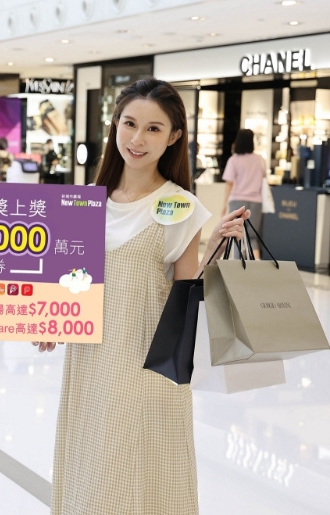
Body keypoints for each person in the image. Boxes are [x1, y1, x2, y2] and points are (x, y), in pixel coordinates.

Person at [34, 78, 249, 514]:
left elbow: (184, 297)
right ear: (115, 124)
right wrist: (49, 323)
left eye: (154, 128)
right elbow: (67, 285)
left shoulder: (179, 205)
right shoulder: (84, 202)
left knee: (135, 482)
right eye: (130, 123)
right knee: (90, 474)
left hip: (146, 367)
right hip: (90, 365)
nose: (137, 139)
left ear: (173, 137)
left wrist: (211, 249)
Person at [222, 128, 267, 258]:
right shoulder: (259, 159)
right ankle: (257, 264)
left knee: (236, 234)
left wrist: (224, 204)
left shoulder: (234, 160)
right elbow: (264, 178)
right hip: (256, 201)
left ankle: (238, 264)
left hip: (237, 200)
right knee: (252, 236)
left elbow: (229, 183)